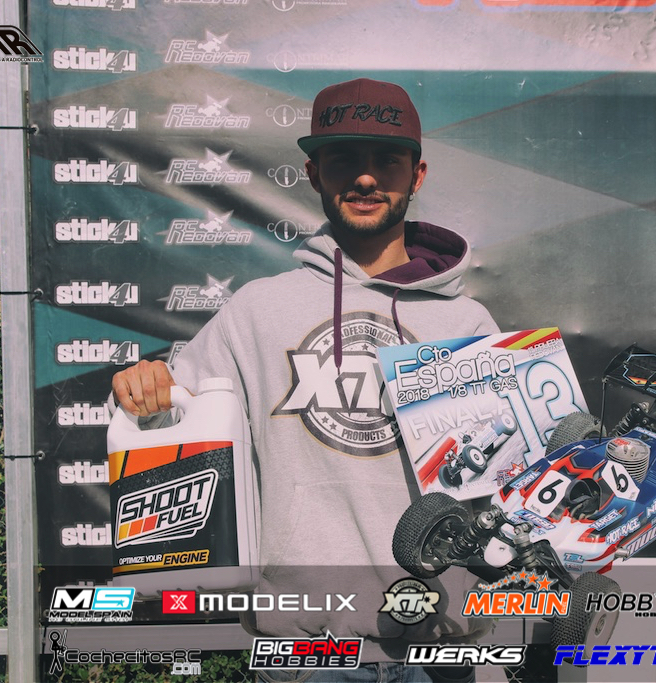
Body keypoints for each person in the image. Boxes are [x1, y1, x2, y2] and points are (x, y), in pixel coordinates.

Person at [112, 78, 498, 682]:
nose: (365, 178)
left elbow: (506, 484)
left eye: (387, 160)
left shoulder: (467, 323)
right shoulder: (257, 310)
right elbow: (172, 422)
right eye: (344, 159)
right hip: (307, 652)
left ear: (417, 175)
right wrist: (146, 391)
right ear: (314, 173)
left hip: (438, 647)